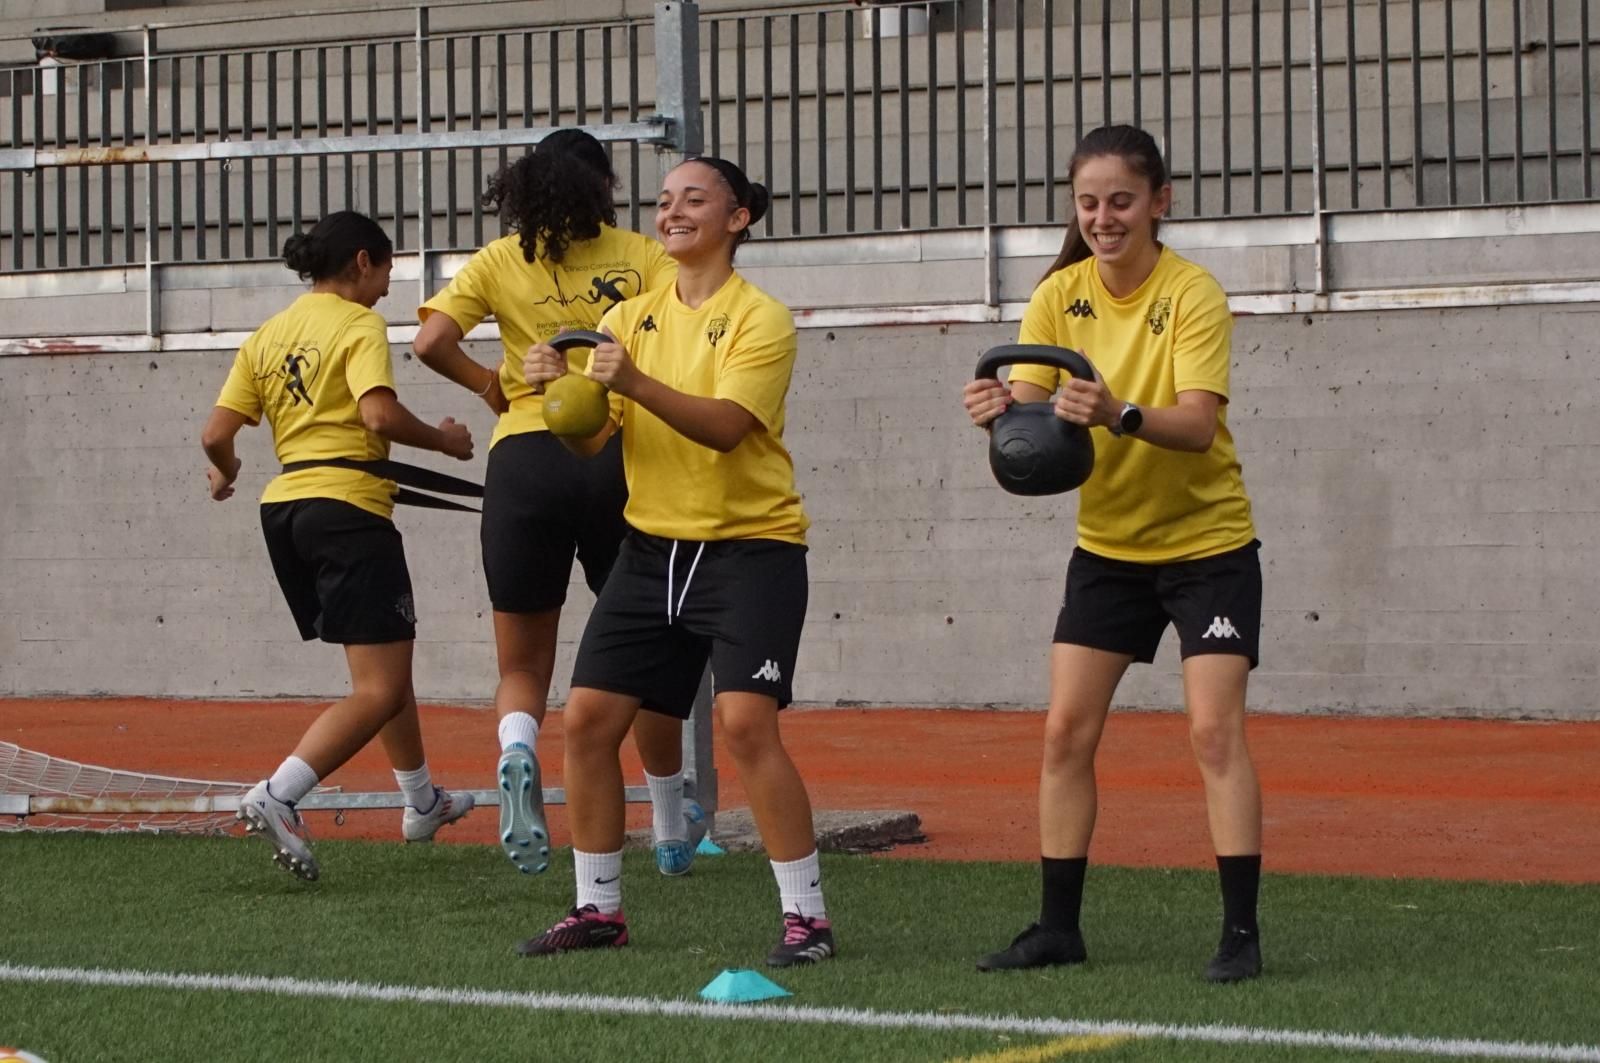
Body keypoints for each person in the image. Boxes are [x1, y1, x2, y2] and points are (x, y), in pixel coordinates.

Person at [962, 125, 1265, 983]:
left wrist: (1119, 413)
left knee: (1212, 731)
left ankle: (1239, 934)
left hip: (1209, 548)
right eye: (1089, 202)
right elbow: (1030, 425)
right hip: (1109, 550)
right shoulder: (1059, 295)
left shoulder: (1192, 293)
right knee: (1064, 732)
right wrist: (996, 415)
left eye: (1121, 200)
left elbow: (1199, 425)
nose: (1103, 217)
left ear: (1160, 202)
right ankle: (1059, 928)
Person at [516, 156, 834, 967]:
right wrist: (556, 394)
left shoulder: (761, 317)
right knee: (586, 721)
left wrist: (637, 381)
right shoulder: (629, 317)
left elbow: (728, 426)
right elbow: (595, 437)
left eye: (695, 198)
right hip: (652, 548)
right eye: (663, 201)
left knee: (744, 724)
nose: (673, 211)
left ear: (739, 218)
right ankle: (598, 909)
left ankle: (808, 919)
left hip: (751, 549)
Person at [413, 129, 704, 878]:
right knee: (648, 649)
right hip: (613, 453)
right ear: (602, 185)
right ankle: (672, 826)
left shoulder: (501, 259)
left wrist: (492, 385)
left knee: (523, 657)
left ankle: (516, 749)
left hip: (524, 459)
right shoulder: (640, 255)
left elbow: (429, 340)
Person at [200, 210, 478, 881]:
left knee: (387, 663)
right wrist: (444, 439)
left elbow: (215, 434)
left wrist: (229, 472)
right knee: (377, 687)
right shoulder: (358, 324)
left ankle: (421, 802)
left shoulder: (267, 334)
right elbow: (376, 414)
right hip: (348, 508)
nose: (387, 288)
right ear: (362, 262)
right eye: (386, 272)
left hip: (287, 509)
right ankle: (280, 792)